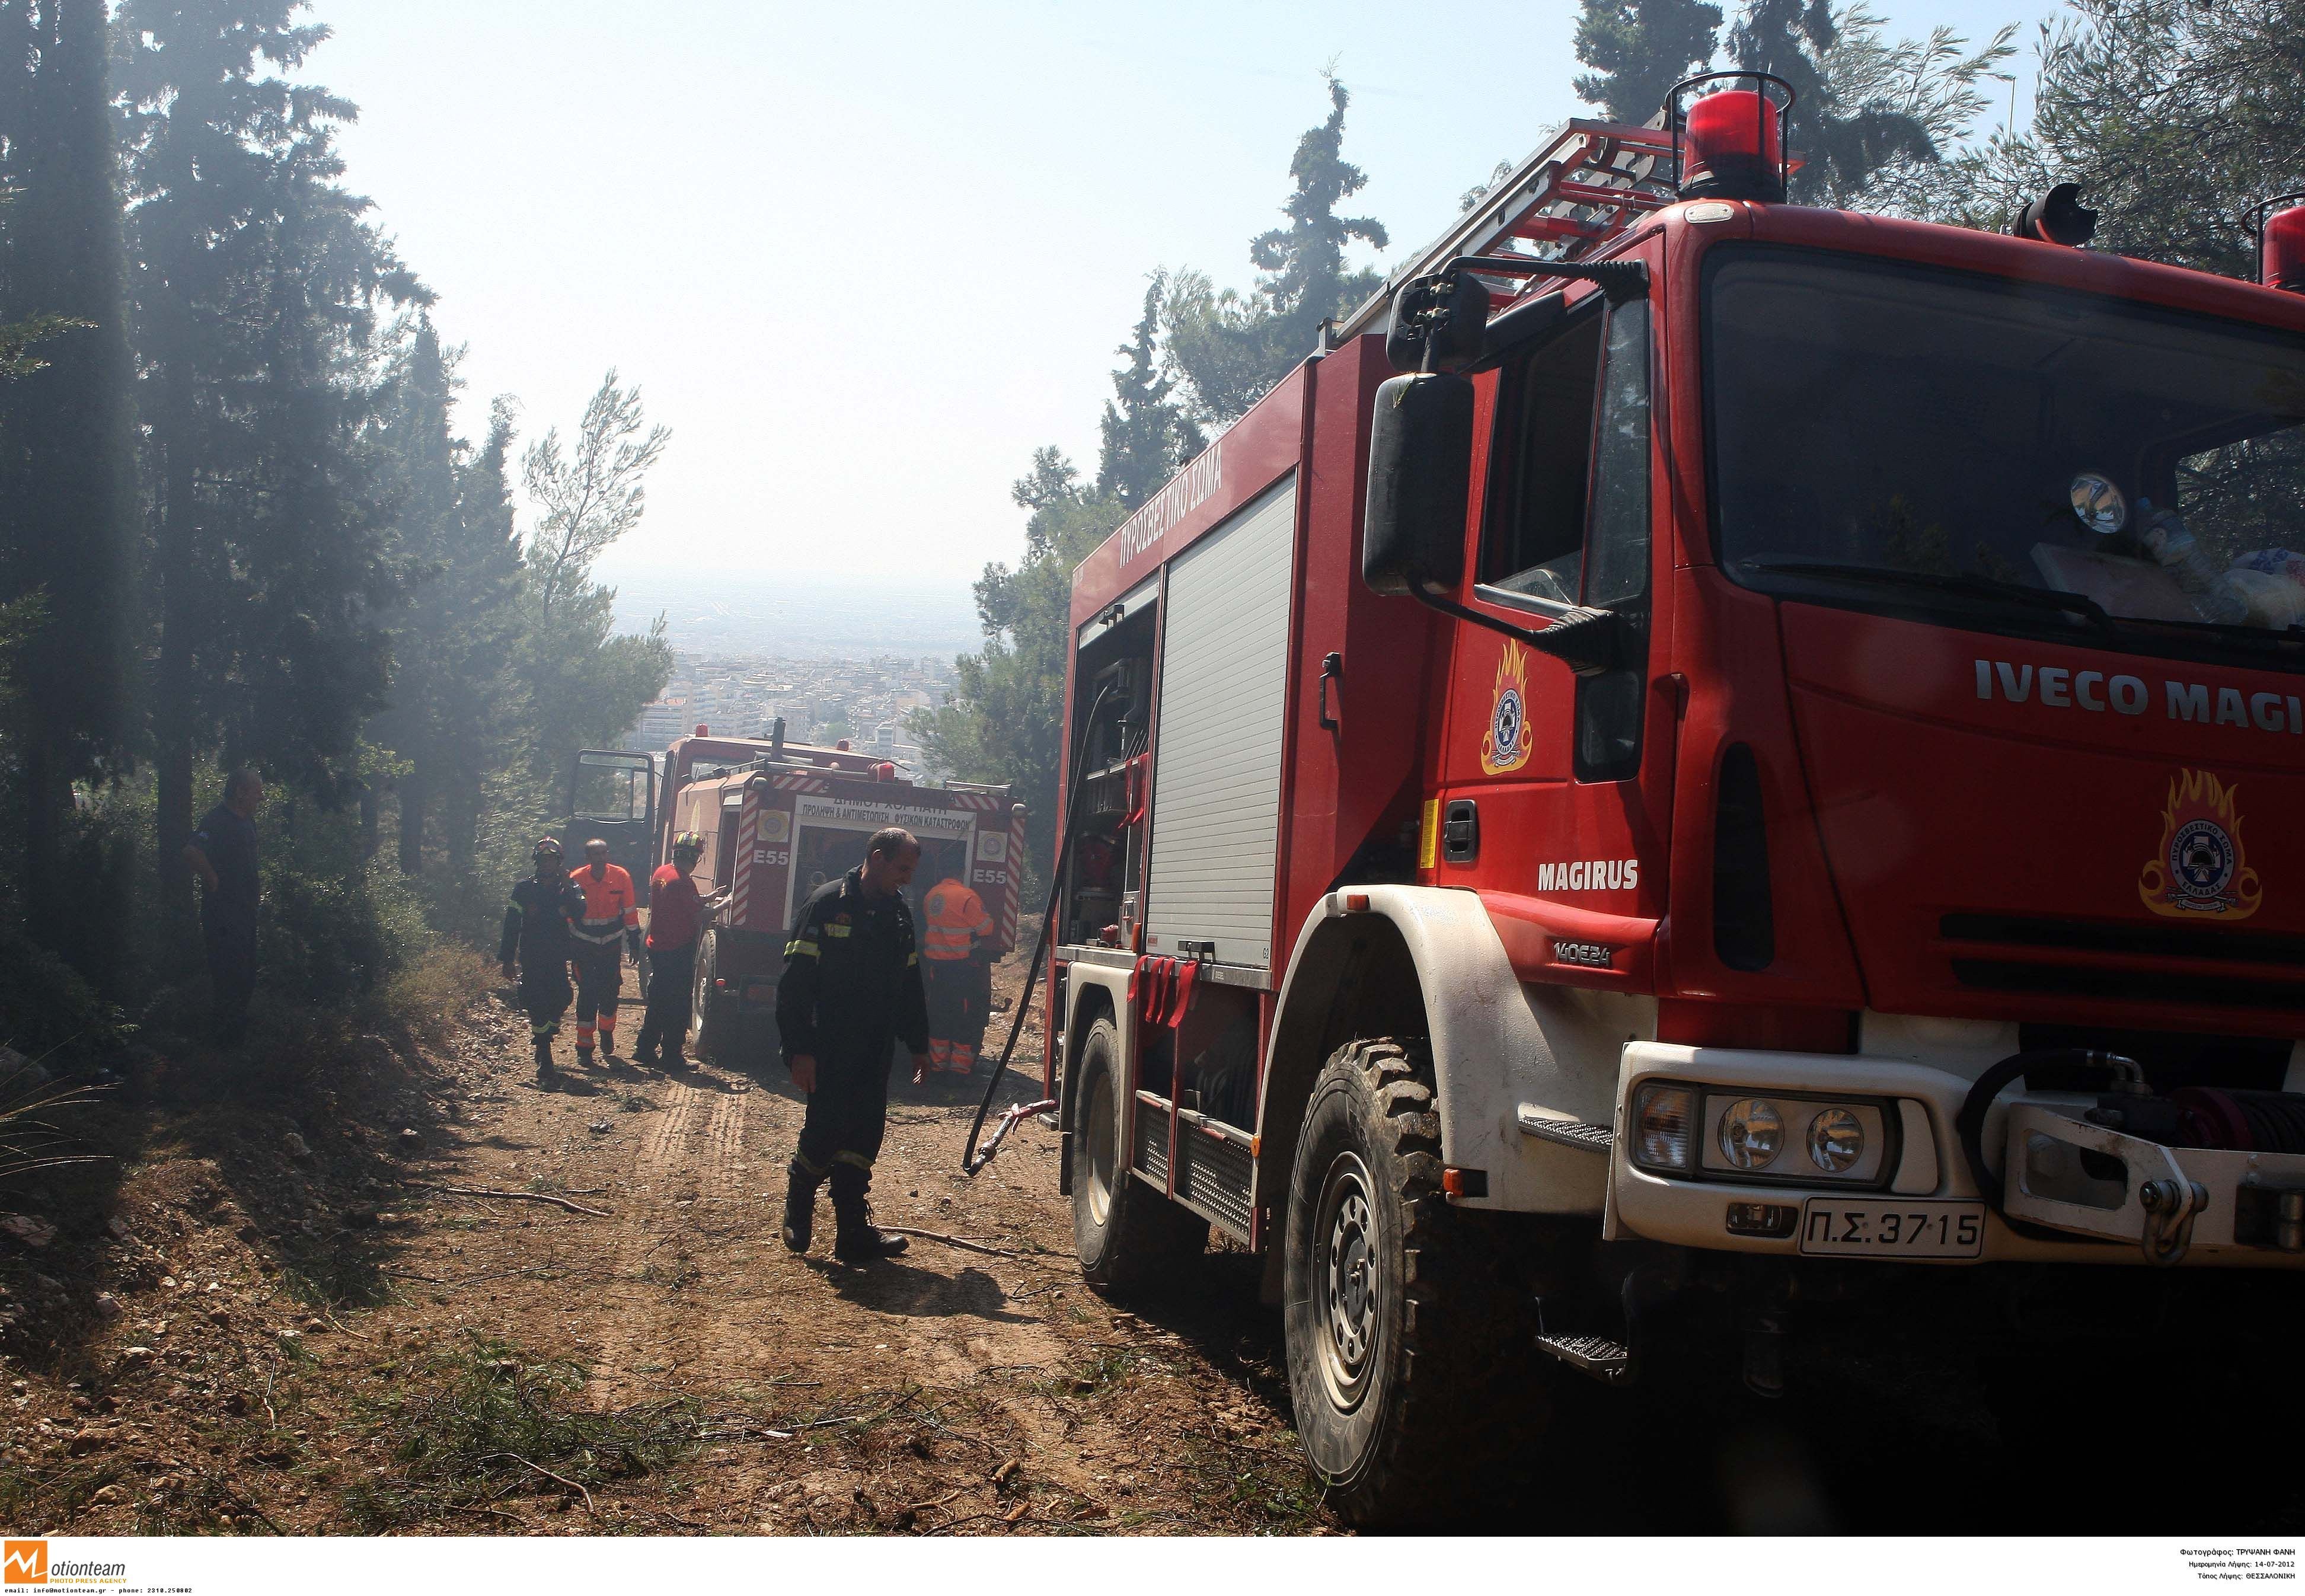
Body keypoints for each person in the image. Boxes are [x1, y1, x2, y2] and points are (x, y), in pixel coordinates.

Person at [775, 826, 931, 1262]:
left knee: (864, 1135)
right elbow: (794, 985)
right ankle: (799, 1199)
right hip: (830, 1043)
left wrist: (918, 1043)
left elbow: (909, 982)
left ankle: (852, 1233)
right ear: (877, 858)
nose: (908, 878)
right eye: (902, 868)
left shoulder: (899, 914)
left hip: (876, 1045)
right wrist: (798, 1049)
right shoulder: (826, 904)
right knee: (826, 1129)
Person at [181, 769, 265, 1045]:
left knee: (246, 976)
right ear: (240, 792)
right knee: (229, 977)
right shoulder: (216, 821)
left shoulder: (248, 823)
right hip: (223, 915)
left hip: (246, 914)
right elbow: (192, 851)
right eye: (256, 791)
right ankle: (221, 1047)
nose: (261, 797)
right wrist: (212, 877)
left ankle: (236, 1044)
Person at [499, 838, 585, 1086]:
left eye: (552, 860)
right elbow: (511, 925)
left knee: (562, 997)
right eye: (544, 860)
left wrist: (569, 886)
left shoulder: (567, 888)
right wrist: (507, 958)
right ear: (537, 862)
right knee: (535, 1003)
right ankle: (544, 1060)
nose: (548, 864)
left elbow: (581, 912)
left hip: (557, 956)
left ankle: (550, 1026)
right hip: (532, 956)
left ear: (559, 862)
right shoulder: (523, 890)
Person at [635, 831, 723, 1068]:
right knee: (677, 1004)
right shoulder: (683, 881)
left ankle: (645, 1049)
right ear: (695, 858)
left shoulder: (662, 873)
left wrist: (706, 897)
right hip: (676, 952)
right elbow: (700, 916)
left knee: (659, 1001)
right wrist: (725, 904)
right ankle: (672, 1056)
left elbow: (680, 901)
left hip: (659, 947)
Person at [569, 837, 641, 1064]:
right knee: (588, 993)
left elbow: (629, 910)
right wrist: (568, 946)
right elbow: (568, 914)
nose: (600, 859)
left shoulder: (621, 877)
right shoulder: (576, 879)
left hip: (611, 945)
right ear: (587, 858)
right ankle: (584, 1047)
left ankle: (607, 1031)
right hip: (584, 945)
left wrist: (634, 940)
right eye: (595, 855)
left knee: (610, 993)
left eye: (603, 854)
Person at [918, 872, 995, 1082]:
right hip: (961, 969)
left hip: (937, 969)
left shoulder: (932, 896)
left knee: (939, 1017)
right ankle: (959, 1072)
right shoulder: (967, 897)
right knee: (963, 1018)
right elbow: (986, 929)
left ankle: (938, 1067)